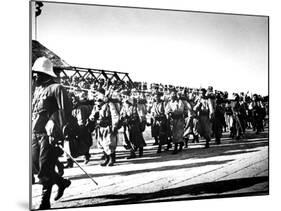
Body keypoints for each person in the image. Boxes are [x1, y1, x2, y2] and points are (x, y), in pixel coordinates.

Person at [32, 57, 72, 209]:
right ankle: (62, 182)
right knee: (35, 165)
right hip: (34, 132)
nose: (35, 75)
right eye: (34, 72)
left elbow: (65, 110)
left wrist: (54, 120)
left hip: (49, 135)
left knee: (45, 167)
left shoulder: (57, 88)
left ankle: (44, 202)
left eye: (38, 73)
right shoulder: (37, 89)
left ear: (46, 74)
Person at [88, 91, 120, 167]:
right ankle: (106, 159)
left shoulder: (109, 105)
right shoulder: (96, 106)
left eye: (99, 99)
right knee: (101, 143)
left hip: (108, 127)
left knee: (109, 143)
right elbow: (91, 116)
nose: (97, 101)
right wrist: (92, 117)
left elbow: (115, 115)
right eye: (96, 99)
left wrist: (114, 125)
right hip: (100, 127)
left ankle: (112, 159)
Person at [165, 88, 188, 154]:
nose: (172, 96)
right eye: (171, 95)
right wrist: (168, 113)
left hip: (179, 119)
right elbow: (166, 110)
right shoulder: (169, 103)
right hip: (173, 120)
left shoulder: (179, 102)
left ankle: (176, 147)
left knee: (178, 133)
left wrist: (174, 112)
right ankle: (180, 143)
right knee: (174, 133)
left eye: (174, 94)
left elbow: (181, 110)